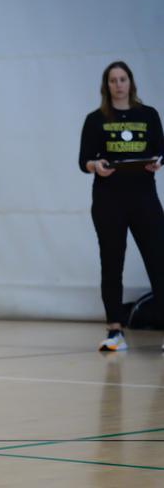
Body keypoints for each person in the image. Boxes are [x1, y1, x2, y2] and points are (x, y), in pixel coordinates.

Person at [79, 61, 164, 352]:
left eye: (123, 79)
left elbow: (160, 151)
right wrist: (96, 165)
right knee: (112, 264)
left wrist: (157, 162)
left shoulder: (149, 115)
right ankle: (115, 331)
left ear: (131, 83)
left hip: (144, 199)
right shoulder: (95, 119)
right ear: (107, 86)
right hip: (108, 201)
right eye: (113, 80)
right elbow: (84, 161)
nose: (118, 85)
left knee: (158, 260)